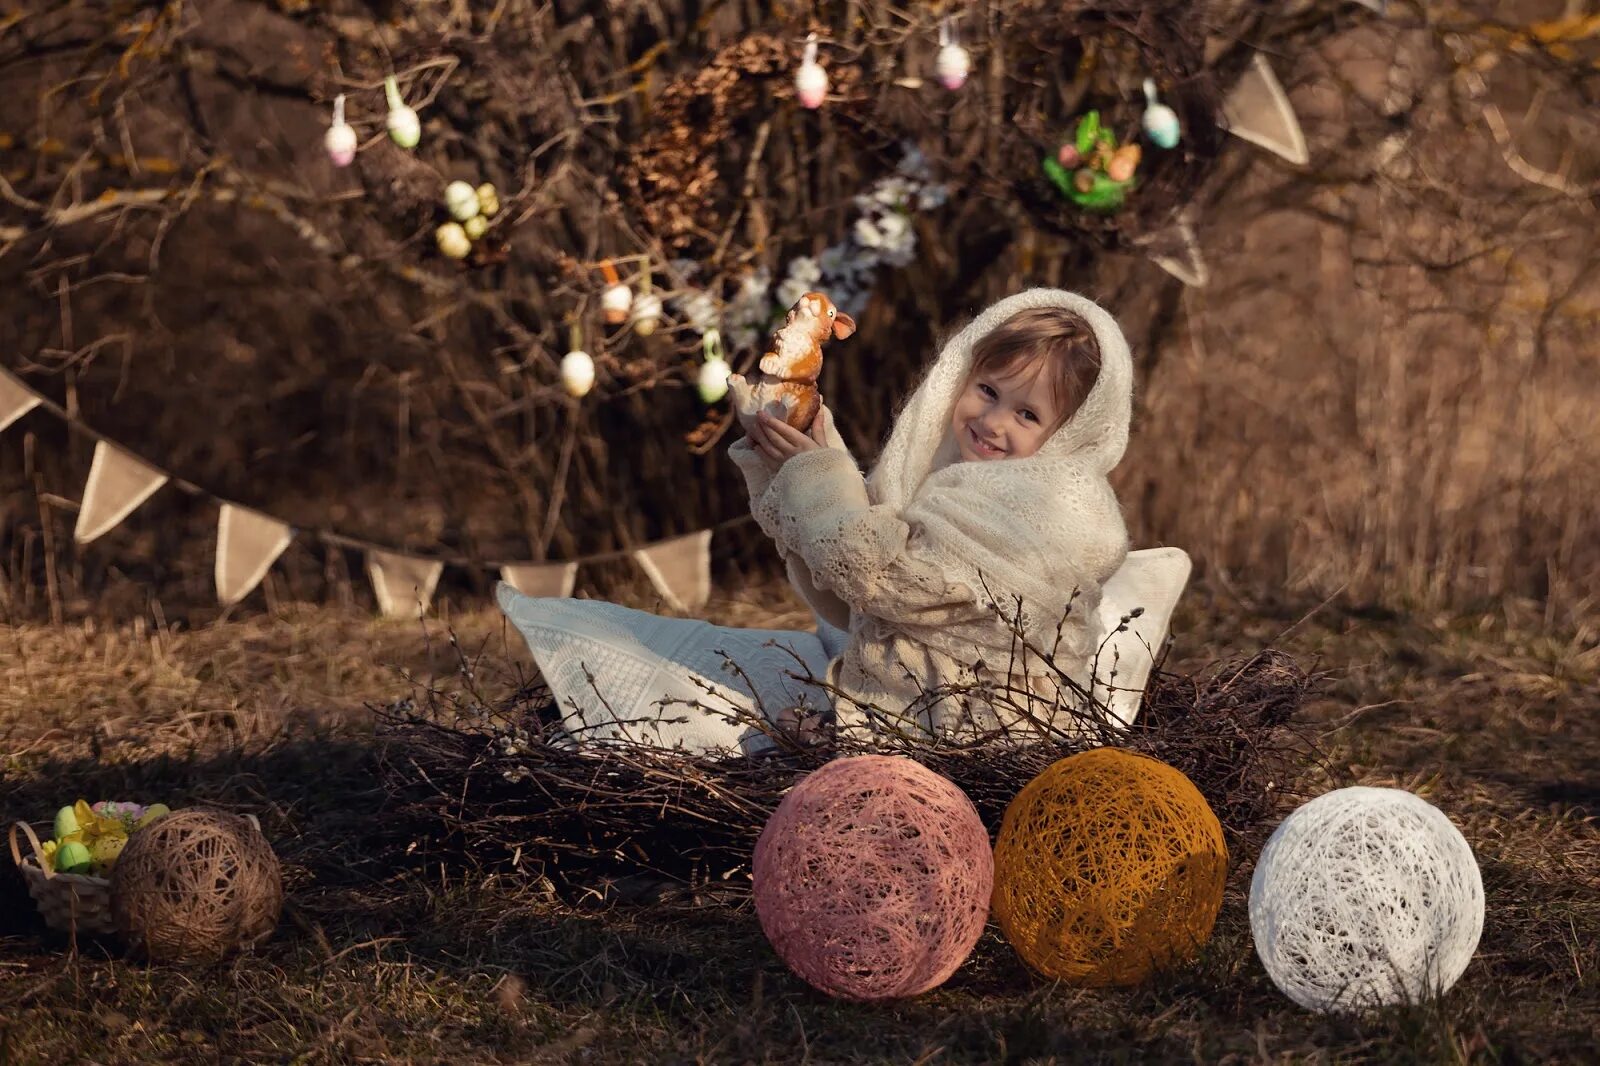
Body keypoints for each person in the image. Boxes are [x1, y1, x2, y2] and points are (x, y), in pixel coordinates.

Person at [727, 287, 1133, 745]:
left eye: (1026, 414)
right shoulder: (949, 481)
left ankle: (870, 740)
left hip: (982, 732)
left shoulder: (1042, 508)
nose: (993, 421)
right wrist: (803, 459)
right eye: (987, 390)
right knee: (767, 740)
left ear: (1072, 435)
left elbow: (884, 578)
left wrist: (816, 476)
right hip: (916, 706)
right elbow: (861, 568)